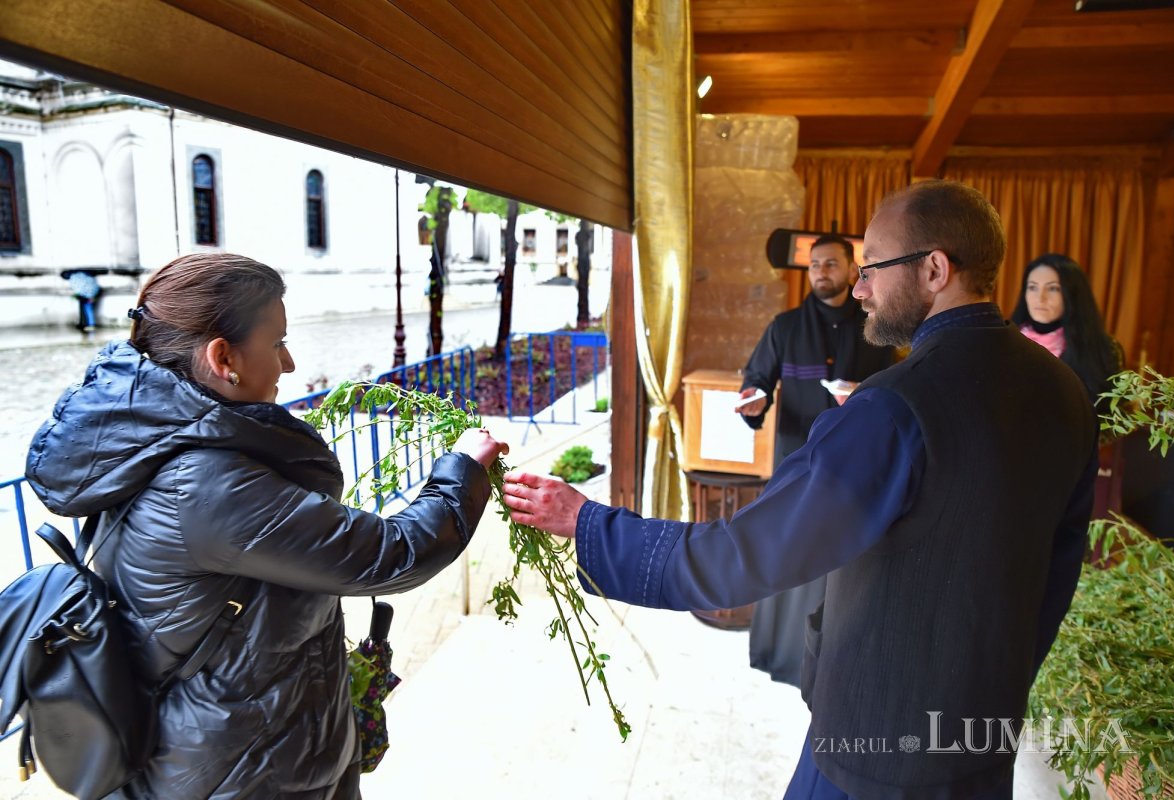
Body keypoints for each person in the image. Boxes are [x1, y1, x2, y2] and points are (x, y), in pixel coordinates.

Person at [502, 180, 1097, 800]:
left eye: (872, 268)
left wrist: (589, 522)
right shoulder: (1065, 394)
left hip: (875, 750)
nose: (861, 286)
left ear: (934, 269)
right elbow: (1054, 582)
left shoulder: (895, 408)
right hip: (981, 742)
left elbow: (742, 555)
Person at [24, 253, 507, 799]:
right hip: (242, 772)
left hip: (243, 748)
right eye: (277, 342)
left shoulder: (162, 438)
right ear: (223, 357)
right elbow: (391, 554)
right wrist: (463, 471)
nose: (290, 362)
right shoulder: (206, 486)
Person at [735, 233, 895, 687]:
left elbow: (900, 387)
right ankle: (783, 657)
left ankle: (841, 662)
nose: (822, 272)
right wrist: (752, 402)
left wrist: (867, 397)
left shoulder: (877, 327)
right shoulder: (784, 327)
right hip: (796, 463)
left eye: (831, 264)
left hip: (858, 468)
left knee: (848, 568)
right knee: (789, 557)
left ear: (851, 271)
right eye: (815, 265)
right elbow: (756, 383)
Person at [1010, 252, 1123, 404]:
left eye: (1053, 289)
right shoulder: (1006, 340)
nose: (1040, 297)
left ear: (1072, 294)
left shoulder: (1102, 349)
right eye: (1032, 287)